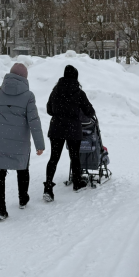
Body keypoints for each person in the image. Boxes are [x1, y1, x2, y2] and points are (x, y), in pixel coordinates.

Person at [0, 63, 45, 220]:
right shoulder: (28, 96)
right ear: (25, 78)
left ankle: (1, 209)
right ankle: (23, 198)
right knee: (22, 168)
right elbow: (34, 121)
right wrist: (39, 145)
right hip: (20, 142)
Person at [43, 65, 96, 201]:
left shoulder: (55, 90)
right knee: (74, 156)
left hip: (56, 128)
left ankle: (48, 188)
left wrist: (60, 112)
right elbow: (89, 111)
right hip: (73, 129)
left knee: (54, 158)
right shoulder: (78, 92)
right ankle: (77, 183)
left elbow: (49, 110)